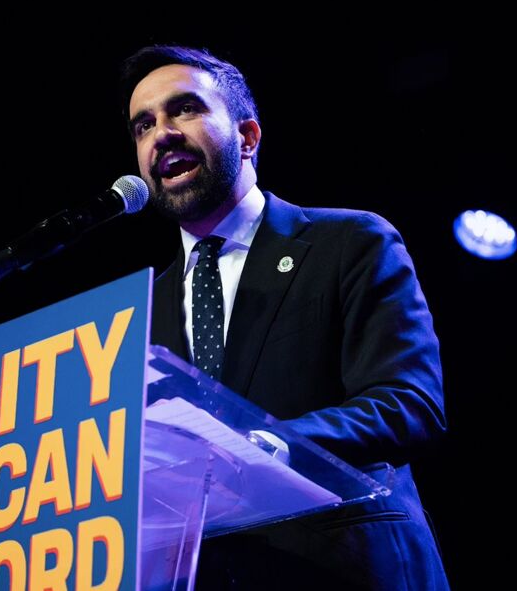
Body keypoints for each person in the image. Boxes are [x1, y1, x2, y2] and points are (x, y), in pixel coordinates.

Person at [122, 45, 450, 589]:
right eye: (143, 125)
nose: (163, 134)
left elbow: (408, 403)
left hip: (345, 567)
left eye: (185, 109)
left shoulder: (348, 242)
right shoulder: (141, 313)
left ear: (248, 137)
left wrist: (267, 447)